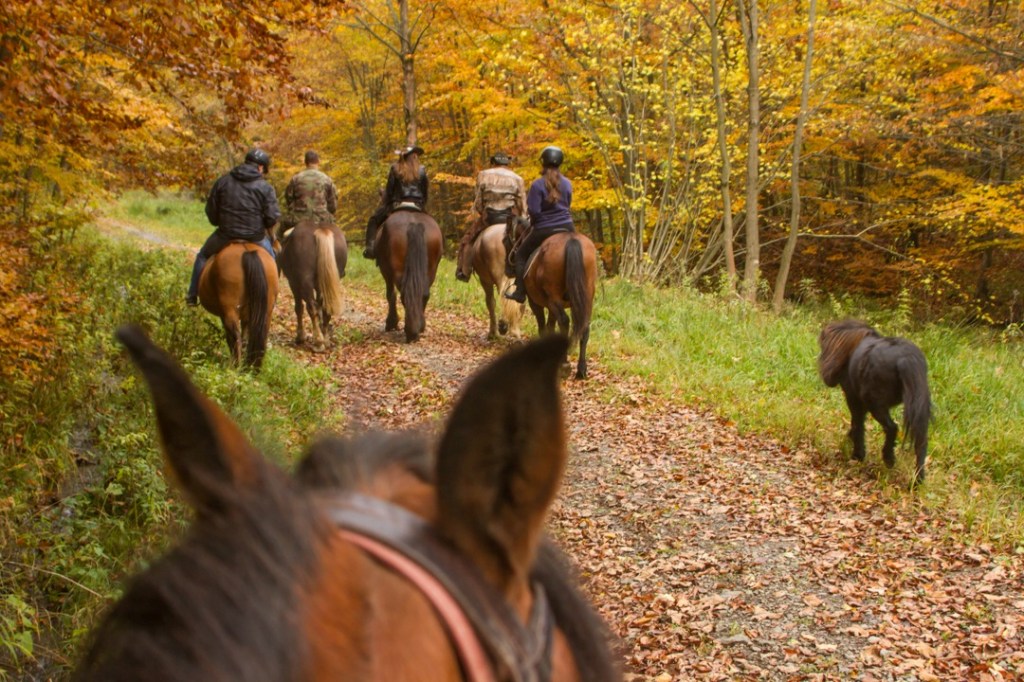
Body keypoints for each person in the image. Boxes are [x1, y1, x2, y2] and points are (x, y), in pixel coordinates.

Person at [186, 149, 280, 306]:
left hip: (225, 235)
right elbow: (272, 217)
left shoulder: (223, 181)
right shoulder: (265, 187)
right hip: (256, 237)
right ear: (261, 168)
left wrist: (220, 223)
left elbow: (211, 211)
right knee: (271, 259)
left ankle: (192, 294)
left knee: (202, 256)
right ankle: (273, 296)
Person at [504, 146, 574, 303]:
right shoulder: (568, 184)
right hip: (567, 227)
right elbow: (568, 205)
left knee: (521, 254)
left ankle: (520, 292)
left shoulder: (537, 185)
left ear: (543, 163)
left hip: (544, 228)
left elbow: (534, 212)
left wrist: (534, 224)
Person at [455, 151, 527, 282]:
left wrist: (482, 212)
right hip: (511, 217)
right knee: (527, 240)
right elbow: (522, 204)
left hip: (490, 217)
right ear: (507, 163)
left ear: (493, 163)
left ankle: (464, 270)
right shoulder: (517, 178)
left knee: (468, 240)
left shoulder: (483, 175)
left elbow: (478, 202)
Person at [363, 145, 428, 259]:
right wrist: (422, 205)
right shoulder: (422, 170)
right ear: (413, 157)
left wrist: (385, 199)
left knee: (373, 220)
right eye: (416, 155)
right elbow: (425, 192)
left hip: (398, 204)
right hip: (418, 205)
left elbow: (389, 192)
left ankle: (371, 248)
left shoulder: (395, 168)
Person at [279, 150, 338, 241]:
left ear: (305, 162)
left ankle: (276, 253)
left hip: (298, 219)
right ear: (318, 161)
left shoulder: (296, 179)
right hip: (323, 218)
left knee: (279, 235)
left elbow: (289, 200)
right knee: (338, 236)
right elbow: (333, 206)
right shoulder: (327, 179)